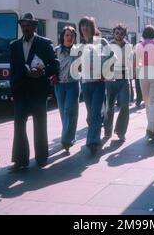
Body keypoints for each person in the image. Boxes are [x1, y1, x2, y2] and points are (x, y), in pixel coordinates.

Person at [9, 13, 59, 172]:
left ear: (34, 27)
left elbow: (55, 65)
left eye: (28, 25)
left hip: (38, 92)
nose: (25, 28)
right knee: (19, 127)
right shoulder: (14, 45)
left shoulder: (44, 43)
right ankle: (20, 161)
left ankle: (41, 158)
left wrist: (42, 72)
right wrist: (12, 89)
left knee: (40, 125)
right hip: (20, 92)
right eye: (22, 25)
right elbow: (13, 70)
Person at [79, 16, 114, 154]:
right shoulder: (80, 46)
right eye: (82, 26)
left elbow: (112, 58)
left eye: (87, 26)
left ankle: (93, 140)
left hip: (99, 84)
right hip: (86, 85)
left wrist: (105, 73)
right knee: (91, 114)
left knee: (94, 113)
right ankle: (99, 127)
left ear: (92, 28)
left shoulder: (102, 42)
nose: (84, 28)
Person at [135, 25, 154, 141]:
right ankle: (152, 128)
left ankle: (150, 127)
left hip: (143, 73)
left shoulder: (139, 45)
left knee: (147, 101)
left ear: (143, 34)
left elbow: (137, 62)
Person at [104, 24, 132, 142]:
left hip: (124, 80)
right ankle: (107, 131)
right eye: (117, 33)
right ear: (113, 34)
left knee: (125, 105)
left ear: (124, 35)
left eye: (121, 34)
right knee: (109, 108)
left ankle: (120, 131)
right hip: (110, 81)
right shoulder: (108, 46)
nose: (119, 36)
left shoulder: (128, 46)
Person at [53, 26, 80, 153]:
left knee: (70, 111)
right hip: (59, 85)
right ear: (63, 36)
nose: (69, 38)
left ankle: (66, 140)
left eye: (72, 36)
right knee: (63, 112)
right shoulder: (56, 50)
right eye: (67, 35)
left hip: (73, 85)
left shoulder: (78, 51)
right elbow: (50, 65)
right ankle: (70, 137)